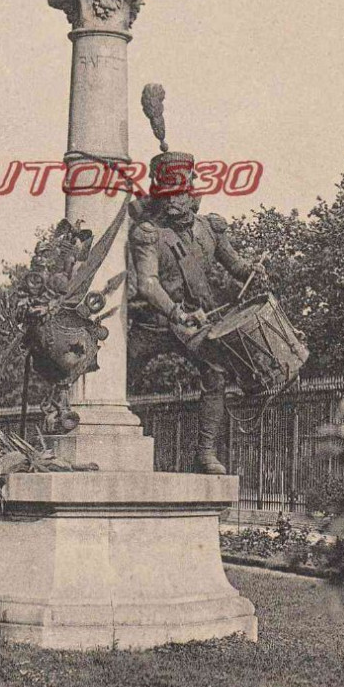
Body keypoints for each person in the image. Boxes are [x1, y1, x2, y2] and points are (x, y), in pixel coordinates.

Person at [127, 149, 267, 473]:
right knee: (117, 370)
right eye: (166, 194)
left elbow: (235, 265)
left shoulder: (211, 230)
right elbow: (148, 284)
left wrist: (251, 272)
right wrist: (176, 312)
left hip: (196, 324)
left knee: (215, 372)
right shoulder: (147, 234)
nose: (173, 200)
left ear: (194, 195)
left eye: (179, 193)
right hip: (156, 323)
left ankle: (205, 453)